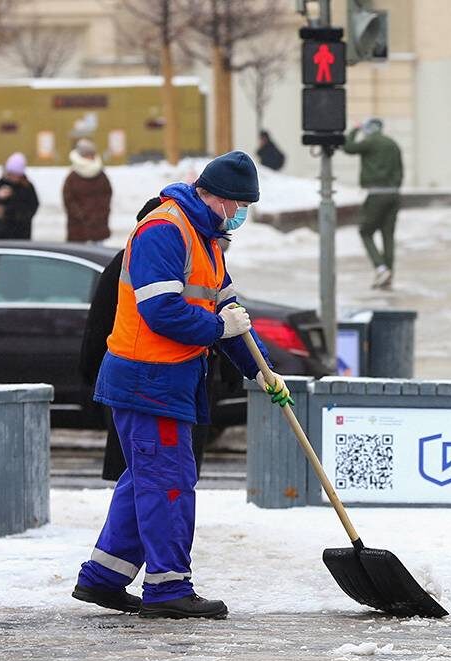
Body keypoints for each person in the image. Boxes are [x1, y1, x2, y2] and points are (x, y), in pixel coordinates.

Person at [73, 151, 291, 620]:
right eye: (235, 204)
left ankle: (104, 578)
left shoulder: (208, 240)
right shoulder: (164, 230)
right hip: (147, 379)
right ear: (211, 195)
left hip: (172, 380)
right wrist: (218, 329)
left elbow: (234, 315)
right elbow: (162, 311)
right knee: (169, 484)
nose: (239, 214)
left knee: (146, 481)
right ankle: (169, 587)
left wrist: (262, 371)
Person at [80, 197, 212, 483]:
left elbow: (97, 323)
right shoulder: (136, 261)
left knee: (144, 475)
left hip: (156, 379)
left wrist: (92, 373)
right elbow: (102, 323)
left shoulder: (180, 258)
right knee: (151, 474)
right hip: (146, 378)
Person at [343, 118, 404, 290]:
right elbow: (400, 170)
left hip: (376, 194)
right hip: (394, 194)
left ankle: (380, 267)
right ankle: (389, 274)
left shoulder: (370, 142)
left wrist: (354, 130)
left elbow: (348, 147)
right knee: (388, 235)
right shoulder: (393, 144)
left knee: (365, 231)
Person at [63, 138, 113, 244]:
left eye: (92, 154)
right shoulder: (73, 177)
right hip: (78, 228)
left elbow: (107, 194)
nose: (91, 157)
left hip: (98, 226)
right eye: (88, 154)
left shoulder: (101, 175)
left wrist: (101, 214)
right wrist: (81, 215)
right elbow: (68, 199)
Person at [0, 152, 39, 240]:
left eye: (16, 174)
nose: (13, 177)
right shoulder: (1, 184)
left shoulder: (27, 186)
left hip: (22, 230)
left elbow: (34, 204)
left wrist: (23, 216)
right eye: (11, 173)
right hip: (4, 231)